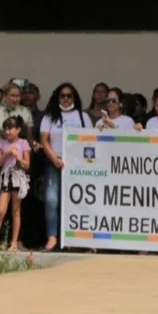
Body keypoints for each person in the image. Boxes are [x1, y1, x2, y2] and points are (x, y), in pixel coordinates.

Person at [39, 83, 93, 251]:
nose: (66, 99)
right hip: (55, 163)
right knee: (51, 200)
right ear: (58, 97)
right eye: (63, 95)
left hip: (78, 166)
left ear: (74, 97)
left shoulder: (83, 117)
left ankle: (75, 239)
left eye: (69, 95)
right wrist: (54, 158)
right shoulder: (50, 116)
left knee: (77, 201)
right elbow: (44, 140)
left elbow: (91, 140)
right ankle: (52, 238)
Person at [0, 116, 31, 253]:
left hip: (18, 176)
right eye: (5, 129)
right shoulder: (2, 144)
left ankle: (14, 242)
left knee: (16, 211)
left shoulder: (23, 143)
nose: (7, 132)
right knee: (1, 210)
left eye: (10, 129)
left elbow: (27, 165)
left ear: (18, 130)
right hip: (5, 176)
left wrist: (19, 158)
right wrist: (8, 153)